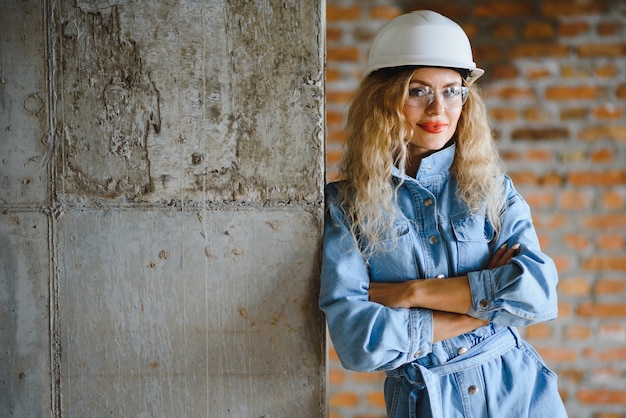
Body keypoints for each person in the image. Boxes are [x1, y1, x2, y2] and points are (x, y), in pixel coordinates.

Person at [319, 10, 568, 418]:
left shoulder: (491, 188)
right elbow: (358, 342)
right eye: (418, 91)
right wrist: (486, 306)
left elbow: (537, 294)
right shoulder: (346, 206)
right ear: (384, 98)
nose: (438, 108)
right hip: (426, 402)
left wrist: (409, 294)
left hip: (519, 395)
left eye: (452, 91)